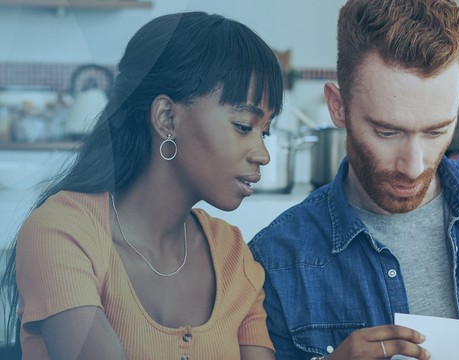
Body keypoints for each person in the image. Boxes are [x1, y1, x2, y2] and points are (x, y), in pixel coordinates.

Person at [248, 0, 459, 359]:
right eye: (387, 132)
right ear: (338, 107)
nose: (413, 166)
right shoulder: (276, 261)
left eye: (436, 131)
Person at [1, 11, 283, 359]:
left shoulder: (232, 254)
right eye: (243, 125)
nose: (263, 154)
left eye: (265, 131)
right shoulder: (63, 232)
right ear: (166, 117)